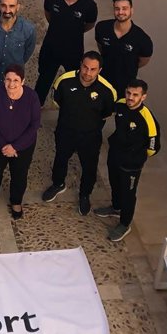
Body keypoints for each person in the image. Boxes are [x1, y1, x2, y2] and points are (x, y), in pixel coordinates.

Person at [42, 51, 117, 215]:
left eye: (93, 69)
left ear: (99, 70)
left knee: (89, 167)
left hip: (90, 136)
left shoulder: (107, 91)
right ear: (80, 65)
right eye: (85, 67)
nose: (87, 73)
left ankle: (85, 195)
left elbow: (106, 113)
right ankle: (58, 184)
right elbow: (57, 101)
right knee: (60, 158)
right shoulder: (64, 81)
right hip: (65, 131)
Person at [94, 79, 161, 241]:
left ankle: (125, 223)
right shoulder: (121, 104)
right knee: (114, 182)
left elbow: (153, 148)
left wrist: (135, 156)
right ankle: (116, 207)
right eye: (128, 93)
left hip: (132, 164)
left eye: (135, 95)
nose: (130, 97)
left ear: (143, 97)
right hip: (115, 155)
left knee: (128, 193)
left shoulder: (147, 119)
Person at [0, 65, 41, 218]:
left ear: (23, 81)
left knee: (19, 174)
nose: (11, 84)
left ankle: (16, 201)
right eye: (8, 79)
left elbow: (34, 125)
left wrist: (15, 147)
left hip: (23, 147)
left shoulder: (32, 97)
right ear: (4, 80)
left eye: (16, 80)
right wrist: (3, 145)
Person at [33, 0, 98, 104]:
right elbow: (48, 15)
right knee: (44, 79)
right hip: (51, 47)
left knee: (74, 82)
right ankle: (36, 106)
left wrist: (73, 31)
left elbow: (89, 24)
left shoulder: (89, 5)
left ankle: (70, 106)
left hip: (73, 51)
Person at [94, 0, 154, 97]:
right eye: (117, 9)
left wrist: (127, 66)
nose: (120, 12)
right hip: (102, 81)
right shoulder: (102, 27)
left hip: (125, 86)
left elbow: (143, 60)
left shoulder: (142, 39)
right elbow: (101, 47)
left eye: (124, 8)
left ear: (132, 10)